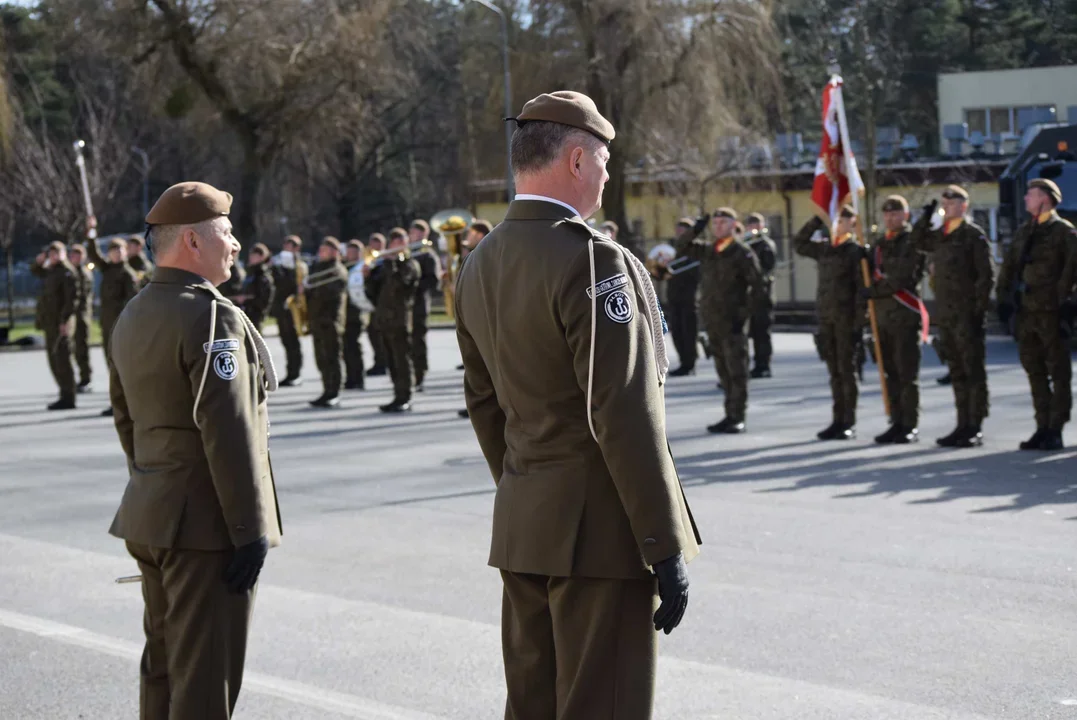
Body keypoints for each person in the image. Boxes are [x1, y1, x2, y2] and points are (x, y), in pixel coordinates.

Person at [456, 91, 700, 720]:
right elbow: (622, 410)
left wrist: (527, 489)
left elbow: (484, 405)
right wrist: (662, 539)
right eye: (603, 161)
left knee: (533, 706)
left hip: (526, 523)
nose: (606, 175)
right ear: (573, 160)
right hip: (599, 533)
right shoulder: (593, 259)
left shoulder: (478, 262)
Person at [107, 181, 282, 720]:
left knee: (163, 667)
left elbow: (126, 419)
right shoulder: (211, 316)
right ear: (192, 242)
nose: (234, 244)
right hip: (207, 528)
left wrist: (154, 483)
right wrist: (249, 530)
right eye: (226, 233)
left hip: (152, 514)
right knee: (205, 679)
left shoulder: (134, 311)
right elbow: (228, 430)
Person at [909, 185, 993, 448]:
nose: (947, 205)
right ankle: (961, 423)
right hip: (946, 314)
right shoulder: (941, 235)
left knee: (972, 371)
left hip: (967, 315)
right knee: (956, 371)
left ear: (963, 206)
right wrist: (926, 216)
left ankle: (974, 426)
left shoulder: (972, 236)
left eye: (952, 202)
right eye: (944, 201)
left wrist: (977, 311)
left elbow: (985, 277)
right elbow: (917, 241)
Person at [996, 178, 1077, 451]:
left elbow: (1072, 272)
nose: (1026, 199)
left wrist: (1066, 303)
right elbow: (1009, 268)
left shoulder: (1064, 233)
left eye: (1030, 195)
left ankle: (1056, 428)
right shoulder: (1024, 232)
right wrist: (1004, 298)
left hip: (1051, 313)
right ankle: (1042, 426)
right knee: (1035, 372)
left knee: (1059, 372)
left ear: (1045, 198)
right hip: (1026, 314)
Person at [675, 207, 764, 433]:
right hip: (713, 320)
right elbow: (681, 246)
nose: (718, 227)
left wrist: (744, 315)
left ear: (734, 225)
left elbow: (758, 286)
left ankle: (738, 417)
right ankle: (729, 414)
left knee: (737, 372)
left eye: (723, 223)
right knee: (723, 371)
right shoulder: (708, 251)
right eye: (715, 223)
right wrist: (697, 227)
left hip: (733, 321)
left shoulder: (741, 252)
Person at [793, 206, 867, 441]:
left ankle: (848, 421)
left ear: (851, 223)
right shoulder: (825, 249)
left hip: (847, 321)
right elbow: (799, 243)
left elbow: (861, 291)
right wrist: (817, 219)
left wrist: (858, 323)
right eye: (833, 220)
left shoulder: (855, 251)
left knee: (847, 372)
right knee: (834, 372)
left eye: (841, 220)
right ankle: (837, 419)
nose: (836, 224)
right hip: (827, 319)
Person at [860, 195, 928, 444]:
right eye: (887, 214)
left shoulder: (912, 242)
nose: (891, 218)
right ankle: (895, 421)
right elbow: (869, 274)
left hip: (904, 317)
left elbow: (901, 278)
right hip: (882, 318)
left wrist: (872, 291)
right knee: (889, 374)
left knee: (906, 374)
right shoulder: (879, 244)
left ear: (905, 216)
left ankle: (910, 424)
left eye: (896, 214)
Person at [85, 236, 141, 416]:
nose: (116, 253)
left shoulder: (127, 274)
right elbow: (94, 255)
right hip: (107, 324)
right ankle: (118, 403)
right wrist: (91, 235)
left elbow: (132, 303)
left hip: (120, 326)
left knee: (121, 367)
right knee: (112, 366)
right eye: (113, 250)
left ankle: (125, 404)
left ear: (125, 252)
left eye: (120, 250)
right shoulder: (108, 269)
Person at [365, 228, 420, 412]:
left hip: (400, 320)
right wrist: (369, 276)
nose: (395, 248)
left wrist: (392, 263)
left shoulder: (410, 265)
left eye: (400, 243)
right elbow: (372, 294)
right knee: (391, 360)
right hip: (384, 320)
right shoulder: (383, 266)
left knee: (402, 360)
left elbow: (402, 285)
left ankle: (405, 396)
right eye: (393, 244)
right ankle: (397, 393)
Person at [31, 242, 78, 410]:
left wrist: (65, 321)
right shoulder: (51, 270)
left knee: (63, 360)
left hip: (61, 323)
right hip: (50, 323)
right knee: (54, 360)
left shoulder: (67, 272)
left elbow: (71, 300)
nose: (54, 256)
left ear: (64, 253)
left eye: (57, 253)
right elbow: (36, 271)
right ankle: (64, 394)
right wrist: (39, 261)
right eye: (51, 253)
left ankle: (69, 397)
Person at [305, 236, 349, 408]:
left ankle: (334, 392)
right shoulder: (317, 269)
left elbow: (330, 292)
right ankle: (326, 389)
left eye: (324, 250)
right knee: (321, 358)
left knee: (332, 357)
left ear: (334, 252)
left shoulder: (338, 270)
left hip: (331, 320)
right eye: (320, 250)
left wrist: (311, 287)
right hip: (317, 320)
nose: (320, 253)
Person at [663, 216, 708, 377]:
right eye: (678, 230)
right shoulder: (671, 250)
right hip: (674, 297)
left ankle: (689, 364)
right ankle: (683, 361)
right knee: (676, 332)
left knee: (688, 332)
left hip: (690, 297)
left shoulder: (696, 249)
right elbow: (659, 273)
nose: (680, 234)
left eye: (684, 231)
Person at [457, 220, 493, 419]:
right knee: (474, 368)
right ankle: (476, 406)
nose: (467, 238)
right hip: (473, 312)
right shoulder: (473, 254)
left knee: (486, 368)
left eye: (471, 234)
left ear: (480, 235)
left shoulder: (487, 252)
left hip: (485, 314)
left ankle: (485, 408)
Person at [408, 219, 441, 390]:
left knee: (417, 341)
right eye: (414, 233)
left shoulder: (428, 255)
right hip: (403, 306)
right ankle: (407, 376)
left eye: (420, 234)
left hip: (419, 303)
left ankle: (420, 376)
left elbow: (433, 281)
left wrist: (412, 285)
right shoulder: (405, 252)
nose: (416, 237)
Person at [743, 213, 778, 378]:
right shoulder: (745, 244)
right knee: (748, 332)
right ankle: (750, 365)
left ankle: (763, 365)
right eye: (750, 224)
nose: (753, 228)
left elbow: (766, 269)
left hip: (763, 296)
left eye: (756, 224)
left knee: (762, 333)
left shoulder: (765, 244)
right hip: (747, 297)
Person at [270, 235, 307, 386]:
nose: (286, 249)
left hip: (293, 307)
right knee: (286, 341)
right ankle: (290, 372)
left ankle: (295, 373)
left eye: (289, 246)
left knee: (293, 342)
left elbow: (296, 285)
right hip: (282, 306)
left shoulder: (299, 265)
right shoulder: (281, 264)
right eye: (285, 246)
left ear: (296, 248)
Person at [68, 243, 95, 392]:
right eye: (72, 255)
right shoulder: (72, 272)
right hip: (74, 315)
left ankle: (86, 379)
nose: (74, 258)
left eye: (78, 255)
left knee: (81, 348)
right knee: (75, 348)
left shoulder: (83, 273)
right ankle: (82, 378)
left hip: (81, 315)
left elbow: (80, 296)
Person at [343, 239, 368, 390]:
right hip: (344, 313)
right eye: (349, 252)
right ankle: (350, 377)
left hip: (356, 313)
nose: (351, 255)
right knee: (346, 348)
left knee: (354, 347)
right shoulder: (344, 267)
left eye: (354, 252)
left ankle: (358, 378)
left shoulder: (362, 267)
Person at [364, 232, 389, 377]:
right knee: (373, 333)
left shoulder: (386, 261)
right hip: (373, 303)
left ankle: (383, 362)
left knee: (383, 335)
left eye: (378, 244)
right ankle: (379, 361)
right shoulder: (370, 261)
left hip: (385, 304)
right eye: (373, 244)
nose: (375, 247)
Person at [239, 243, 275, 332]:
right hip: (245, 313)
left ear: (262, 257)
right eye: (251, 254)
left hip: (255, 316)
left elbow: (264, 300)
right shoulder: (250, 273)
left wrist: (246, 299)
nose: (251, 257)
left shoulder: (263, 276)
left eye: (254, 255)